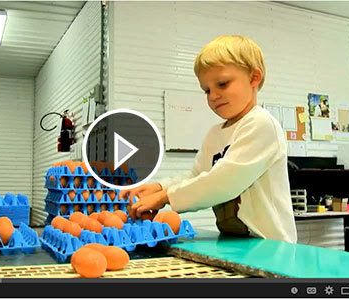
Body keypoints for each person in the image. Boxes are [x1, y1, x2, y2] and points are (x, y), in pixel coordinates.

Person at [120, 35, 297, 243]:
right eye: (207, 90)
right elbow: (197, 176)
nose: (213, 96)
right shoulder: (216, 133)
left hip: (272, 246)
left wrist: (165, 197)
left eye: (222, 84)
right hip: (236, 242)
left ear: (254, 78)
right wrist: (160, 187)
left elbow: (224, 181)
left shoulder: (261, 124)